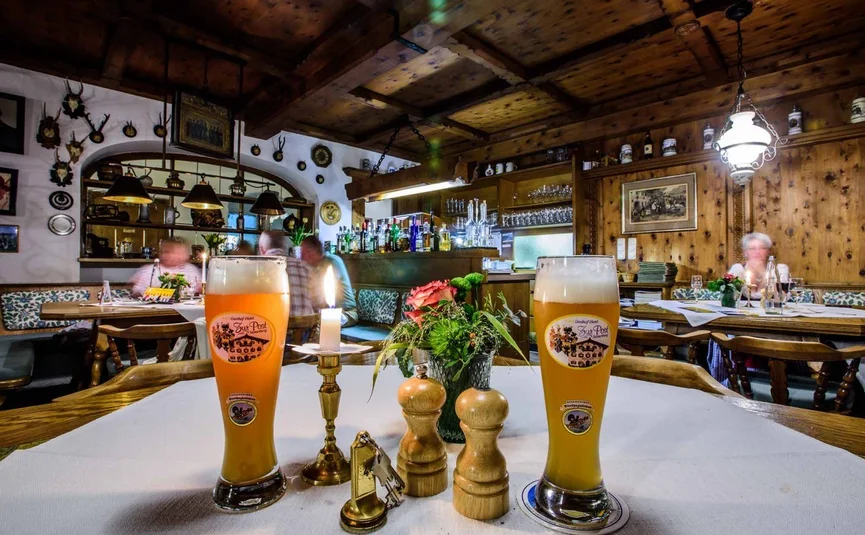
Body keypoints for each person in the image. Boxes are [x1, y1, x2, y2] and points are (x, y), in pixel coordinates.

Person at [258, 231, 320, 317]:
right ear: (284, 247)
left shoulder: (257, 270)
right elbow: (318, 304)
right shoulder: (305, 267)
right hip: (305, 328)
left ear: (262, 249)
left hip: (271, 327)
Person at [300, 235, 358, 327]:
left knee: (317, 323)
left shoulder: (332, 262)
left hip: (346, 314)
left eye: (303, 254)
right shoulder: (315, 266)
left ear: (310, 253)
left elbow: (321, 295)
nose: (302, 258)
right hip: (327, 313)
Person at [129, 239, 201, 297]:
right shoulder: (150, 270)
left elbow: (201, 291)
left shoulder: (191, 270)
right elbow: (137, 293)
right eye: (168, 252)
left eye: (181, 252)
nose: (180, 256)